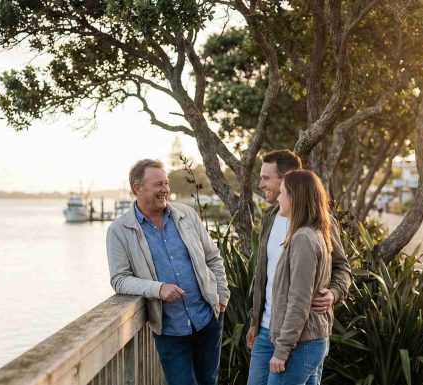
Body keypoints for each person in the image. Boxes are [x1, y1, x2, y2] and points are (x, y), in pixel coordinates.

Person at [106, 159, 229, 385]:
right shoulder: (119, 230)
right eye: (158, 184)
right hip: (170, 330)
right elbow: (119, 280)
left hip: (208, 319)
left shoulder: (187, 215)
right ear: (137, 188)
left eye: (166, 183)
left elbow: (213, 256)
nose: (165, 190)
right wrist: (158, 289)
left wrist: (221, 296)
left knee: (208, 382)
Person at [247, 150, 352, 385]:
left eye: (266, 178)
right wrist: (255, 322)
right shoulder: (270, 218)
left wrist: (334, 294)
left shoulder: (317, 225)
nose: (261, 184)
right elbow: (266, 277)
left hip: (302, 333)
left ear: (287, 179)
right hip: (266, 329)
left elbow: (341, 268)